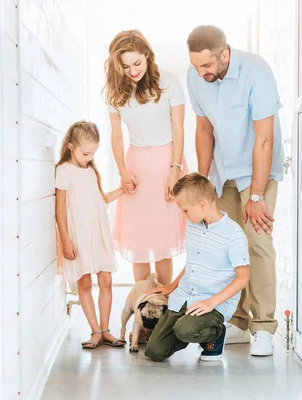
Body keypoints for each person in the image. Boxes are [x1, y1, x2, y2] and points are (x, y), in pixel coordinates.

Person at [186, 25, 285, 356]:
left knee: (256, 241)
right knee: (227, 244)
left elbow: (265, 139)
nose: (201, 73)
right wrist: (203, 179)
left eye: (206, 66)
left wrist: (256, 196)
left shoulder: (256, 71)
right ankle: (239, 322)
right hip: (223, 172)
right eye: (196, 66)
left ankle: (264, 327)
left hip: (257, 170)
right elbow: (203, 128)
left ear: (224, 54)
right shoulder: (196, 76)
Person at [105, 29, 188, 286]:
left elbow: (178, 129)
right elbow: (117, 136)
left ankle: (163, 305)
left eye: (137, 63)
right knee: (139, 241)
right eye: (126, 66)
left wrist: (175, 169)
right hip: (137, 164)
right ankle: (142, 303)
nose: (133, 71)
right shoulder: (114, 91)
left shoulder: (170, 82)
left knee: (163, 241)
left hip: (167, 160)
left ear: (147, 55)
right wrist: (123, 172)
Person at [144, 173, 250, 362]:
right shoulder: (193, 226)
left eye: (184, 210)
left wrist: (211, 303)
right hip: (184, 297)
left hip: (212, 303)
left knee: (184, 329)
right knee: (155, 351)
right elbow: (192, 264)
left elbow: (243, 278)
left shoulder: (233, 235)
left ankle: (215, 333)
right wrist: (172, 286)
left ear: (201, 205)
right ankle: (188, 328)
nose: (183, 215)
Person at [55, 120, 133, 349]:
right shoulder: (64, 171)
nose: (89, 157)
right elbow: (59, 211)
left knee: (106, 279)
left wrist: (122, 190)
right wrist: (66, 240)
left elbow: (100, 201)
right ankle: (95, 331)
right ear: (70, 146)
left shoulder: (90, 171)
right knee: (85, 283)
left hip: (98, 234)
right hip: (77, 236)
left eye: (93, 153)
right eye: (85, 152)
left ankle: (106, 329)